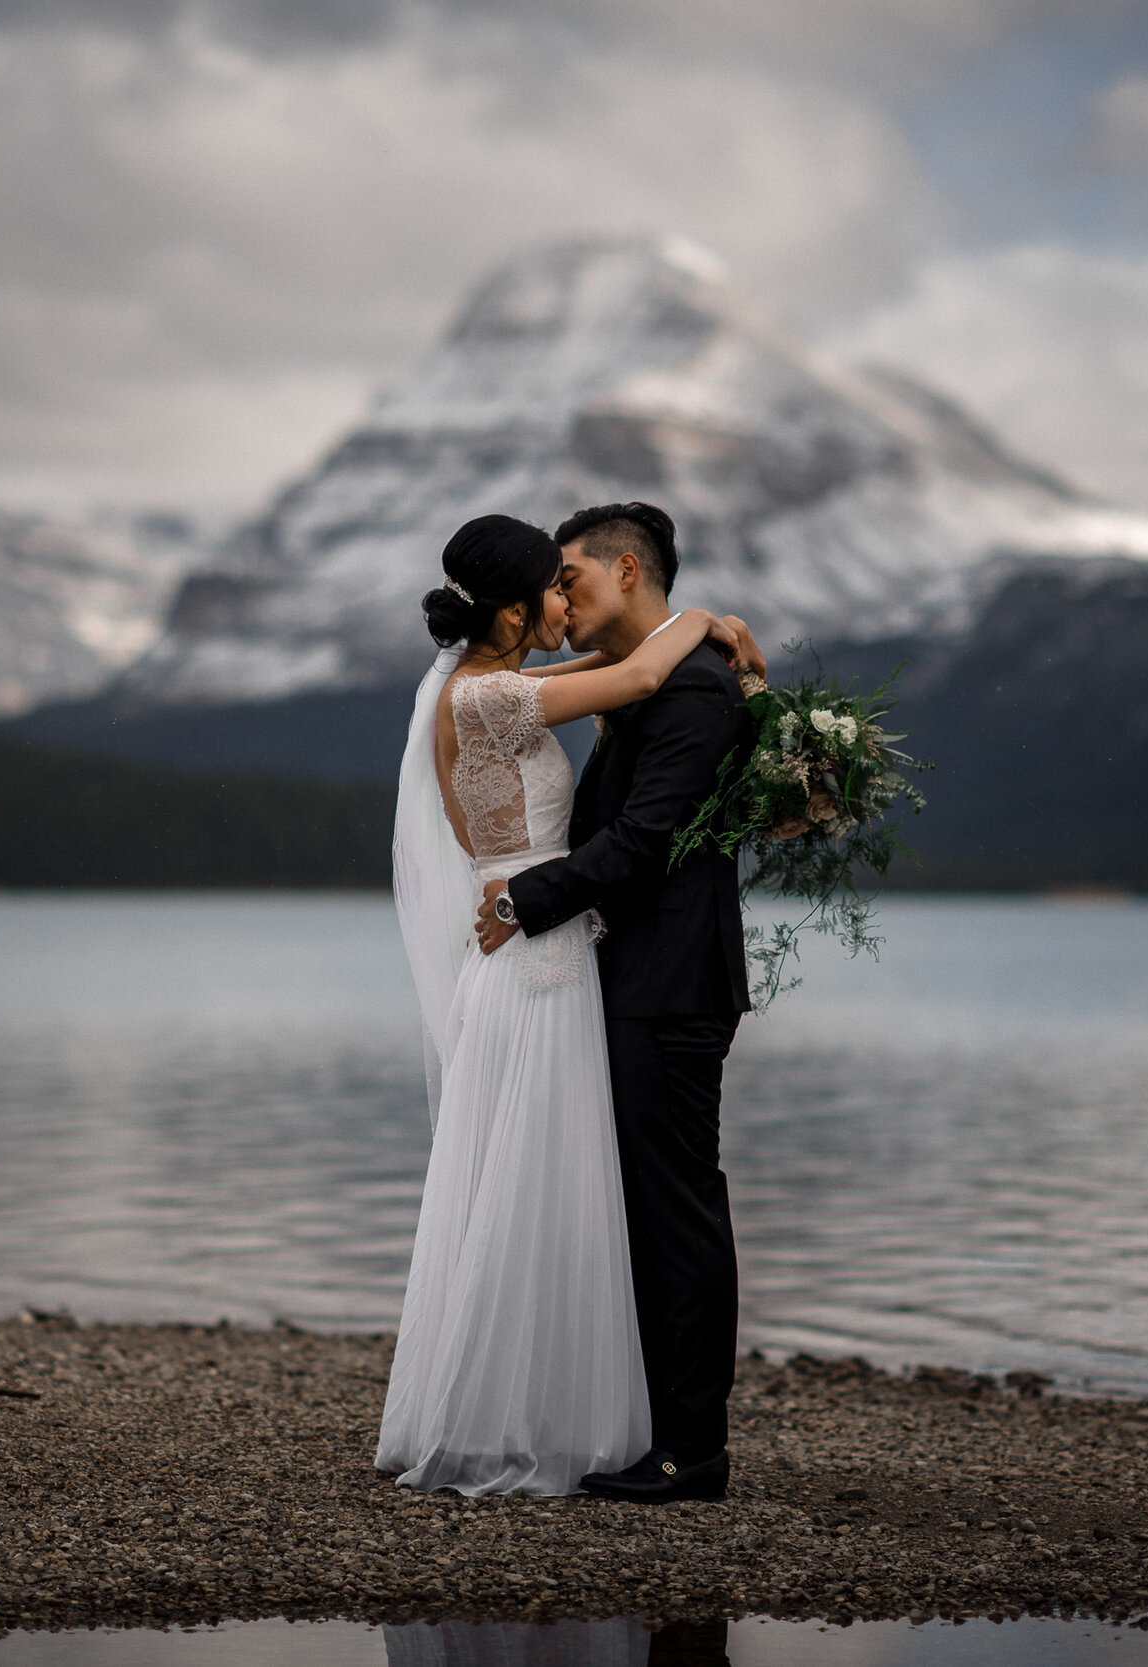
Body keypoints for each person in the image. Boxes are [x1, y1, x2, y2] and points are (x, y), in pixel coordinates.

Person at [377, 512, 760, 1497]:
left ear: (624, 570)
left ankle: (663, 1439)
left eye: (573, 574)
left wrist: (522, 895)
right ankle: (557, 1418)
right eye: (550, 584)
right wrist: (711, 615)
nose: (563, 596)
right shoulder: (507, 692)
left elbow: (636, 830)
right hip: (544, 958)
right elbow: (630, 689)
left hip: (604, 966)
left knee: (608, 1199)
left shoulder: (523, 688)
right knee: (541, 1188)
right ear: (513, 607)